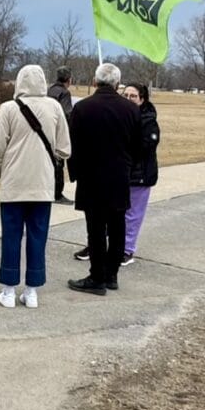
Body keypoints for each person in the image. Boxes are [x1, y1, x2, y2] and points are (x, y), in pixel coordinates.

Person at [0, 65, 71, 308]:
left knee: (11, 236)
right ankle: (32, 290)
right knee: (38, 236)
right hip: (43, 184)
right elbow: (65, 148)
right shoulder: (54, 107)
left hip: (14, 183)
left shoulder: (9, 109)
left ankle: (8, 289)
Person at [66, 62, 140, 296]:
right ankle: (111, 275)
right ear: (117, 84)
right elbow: (137, 147)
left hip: (91, 177)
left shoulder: (83, 108)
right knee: (117, 226)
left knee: (96, 229)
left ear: (95, 81)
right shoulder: (131, 109)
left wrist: (74, 173)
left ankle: (97, 277)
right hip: (119, 176)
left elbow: (73, 145)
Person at [121, 82, 160, 266]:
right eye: (126, 95)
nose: (128, 99)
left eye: (133, 96)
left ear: (142, 99)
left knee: (132, 214)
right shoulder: (120, 116)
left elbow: (145, 146)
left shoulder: (148, 121)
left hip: (139, 175)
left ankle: (127, 250)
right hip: (120, 174)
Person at [47, 66, 73, 204]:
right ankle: (57, 194)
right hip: (58, 131)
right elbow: (67, 114)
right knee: (59, 162)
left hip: (46, 130)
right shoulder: (64, 93)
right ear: (69, 79)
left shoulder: (50, 90)